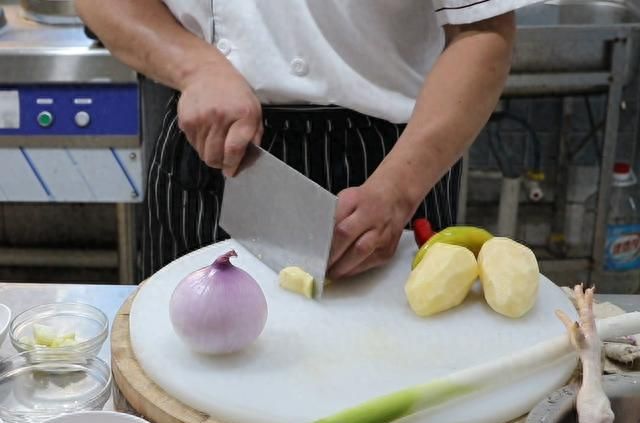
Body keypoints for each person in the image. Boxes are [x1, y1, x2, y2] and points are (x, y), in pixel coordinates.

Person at [76, 0, 540, 281]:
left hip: (390, 163)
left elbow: (482, 31)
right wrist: (196, 67)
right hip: (206, 146)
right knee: (184, 375)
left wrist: (398, 189)